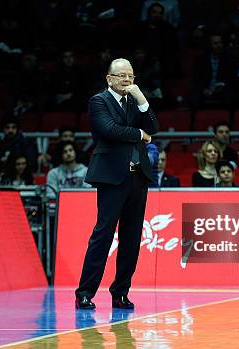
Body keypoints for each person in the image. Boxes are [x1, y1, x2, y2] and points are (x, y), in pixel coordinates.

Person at [76, 58, 158, 310]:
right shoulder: (99, 101)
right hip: (112, 177)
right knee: (103, 234)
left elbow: (154, 127)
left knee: (132, 238)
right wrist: (138, 134)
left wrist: (142, 99)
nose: (127, 80)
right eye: (121, 75)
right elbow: (109, 129)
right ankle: (85, 292)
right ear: (109, 78)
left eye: (131, 76)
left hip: (138, 176)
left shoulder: (134, 100)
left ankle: (120, 292)